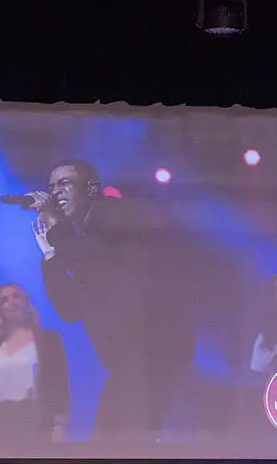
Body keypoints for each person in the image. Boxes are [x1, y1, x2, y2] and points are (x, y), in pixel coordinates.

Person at [26, 160, 195, 441]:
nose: (55, 193)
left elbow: (97, 269)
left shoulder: (113, 216)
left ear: (91, 189)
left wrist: (57, 226)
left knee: (121, 440)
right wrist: (50, 256)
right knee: (109, 442)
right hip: (129, 365)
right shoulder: (81, 237)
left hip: (155, 354)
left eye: (64, 183)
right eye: (51, 186)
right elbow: (70, 309)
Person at [0, 283, 70, 445]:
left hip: (36, 422)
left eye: (16, 296)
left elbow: (60, 383)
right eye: (4, 300)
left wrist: (60, 423)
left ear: (26, 302)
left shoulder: (49, 340)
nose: (11, 302)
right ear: (0, 310)